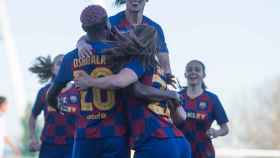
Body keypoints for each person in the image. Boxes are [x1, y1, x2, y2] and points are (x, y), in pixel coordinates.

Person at [73, 12, 191, 158]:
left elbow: (128, 85)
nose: (126, 34)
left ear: (137, 39)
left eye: (131, 32)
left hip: (155, 142)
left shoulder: (138, 60)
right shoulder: (157, 69)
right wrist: (81, 43)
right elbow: (182, 117)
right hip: (178, 141)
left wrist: (90, 81)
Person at [77, 0, 172, 74]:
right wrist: (81, 45)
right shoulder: (111, 22)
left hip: (145, 82)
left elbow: (166, 67)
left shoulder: (155, 28)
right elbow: (87, 37)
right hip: (115, 77)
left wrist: (168, 88)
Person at [28, 55, 80, 158]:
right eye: (59, 63)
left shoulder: (79, 91)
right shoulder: (44, 91)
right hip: (49, 144)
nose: (62, 67)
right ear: (52, 68)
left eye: (65, 64)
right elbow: (33, 116)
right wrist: (33, 138)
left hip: (72, 144)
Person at [177, 60, 229, 158]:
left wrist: (216, 132)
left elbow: (225, 129)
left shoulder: (212, 99)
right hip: (180, 150)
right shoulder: (177, 97)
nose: (193, 72)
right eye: (189, 70)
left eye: (197, 70)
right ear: (185, 74)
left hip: (204, 152)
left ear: (203, 74)